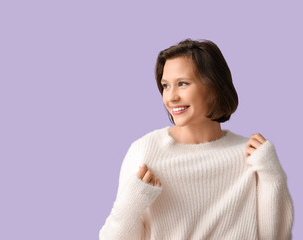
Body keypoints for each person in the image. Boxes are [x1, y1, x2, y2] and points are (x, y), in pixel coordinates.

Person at [99, 39, 294, 240]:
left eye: (182, 84)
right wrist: (131, 204)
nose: (171, 97)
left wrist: (272, 175)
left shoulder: (252, 155)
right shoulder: (145, 151)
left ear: (213, 87)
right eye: (166, 86)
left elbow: (275, 237)